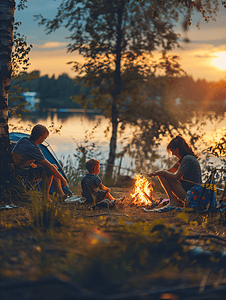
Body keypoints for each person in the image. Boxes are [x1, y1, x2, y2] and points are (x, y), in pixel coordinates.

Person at [11, 124, 67, 201]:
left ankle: (60, 194)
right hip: (23, 175)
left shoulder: (23, 140)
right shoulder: (34, 148)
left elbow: (22, 156)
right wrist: (63, 179)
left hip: (17, 171)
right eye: (44, 138)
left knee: (52, 166)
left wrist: (31, 164)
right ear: (40, 137)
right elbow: (50, 167)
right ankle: (47, 197)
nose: (44, 139)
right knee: (49, 168)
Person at [148, 135, 202, 212]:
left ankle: (173, 202)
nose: (172, 154)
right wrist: (154, 173)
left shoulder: (187, 159)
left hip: (192, 196)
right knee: (162, 175)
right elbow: (170, 171)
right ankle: (174, 201)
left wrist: (162, 172)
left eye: (172, 151)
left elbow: (175, 177)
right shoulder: (183, 159)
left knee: (163, 174)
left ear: (177, 149)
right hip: (188, 192)